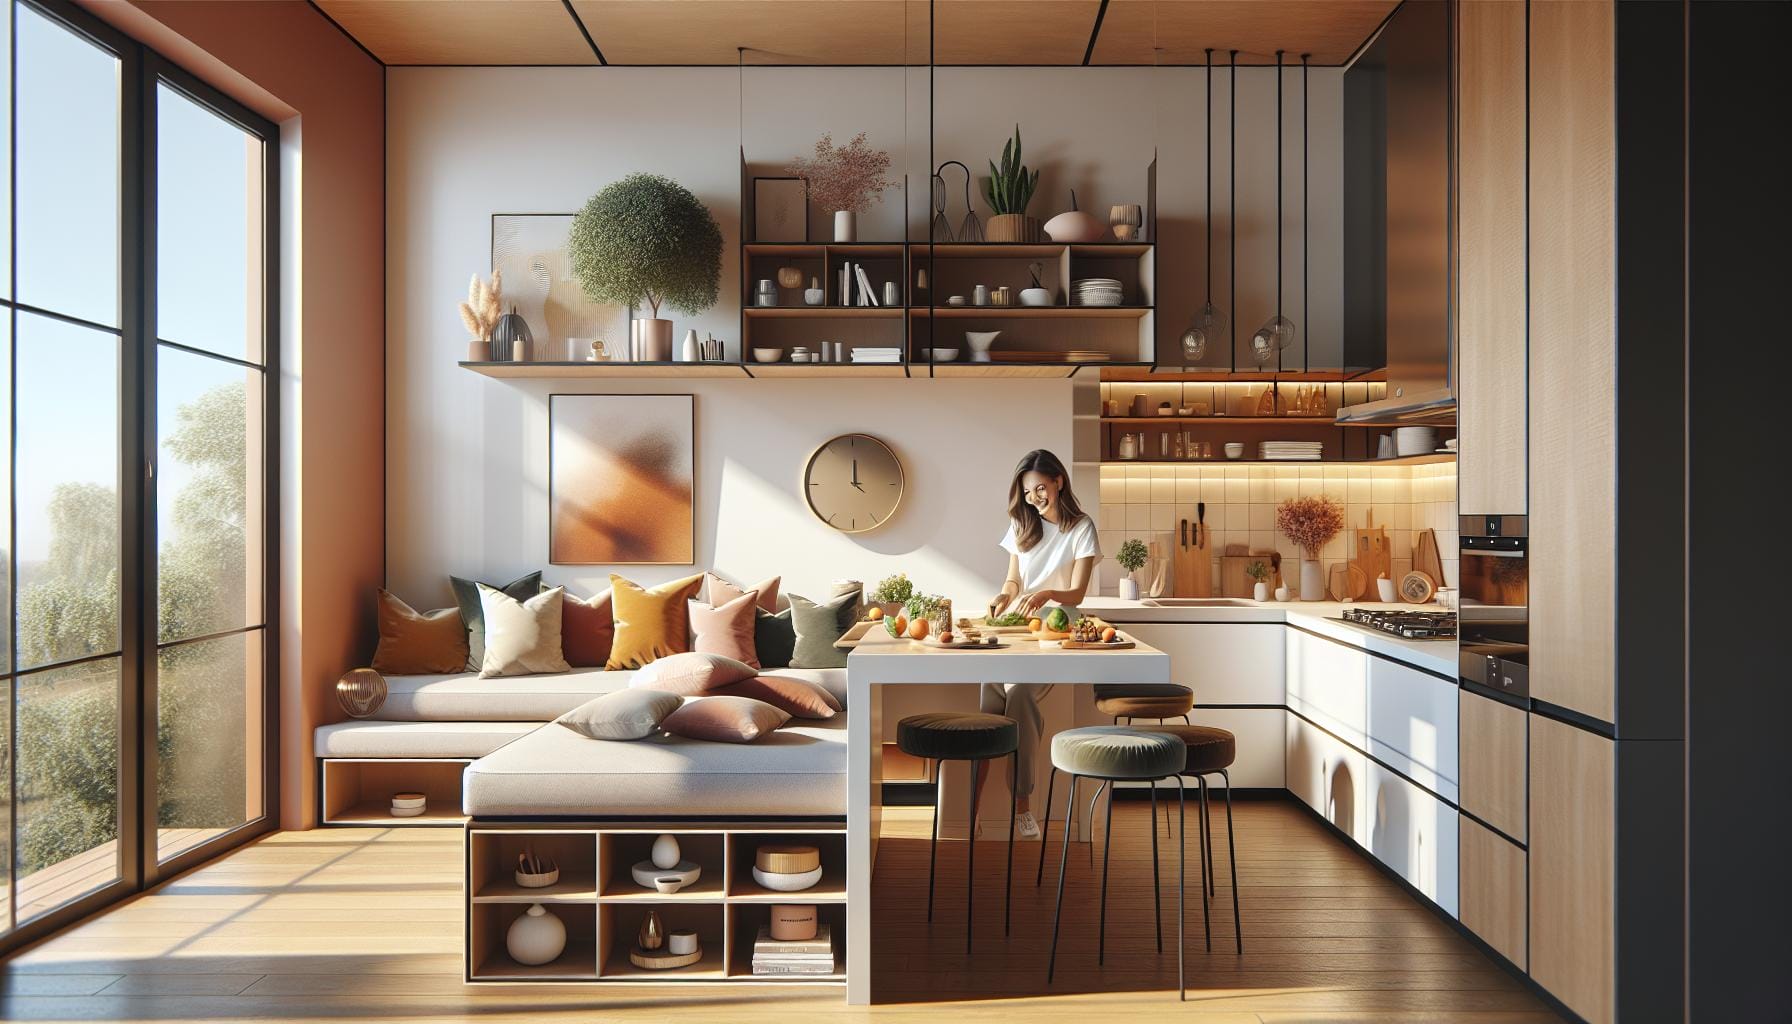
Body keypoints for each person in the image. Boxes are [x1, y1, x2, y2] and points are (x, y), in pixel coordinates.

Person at [979, 449, 1099, 839]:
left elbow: (1077, 593)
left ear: (1059, 481)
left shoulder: (1080, 528)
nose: (1035, 498)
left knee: (1020, 698)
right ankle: (973, 809)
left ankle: (1022, 806)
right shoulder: (1020, 524)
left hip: (1056, 633)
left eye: (1041, 488)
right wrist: (1003, 596)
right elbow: (1013, 581)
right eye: (1029, 492)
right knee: (987, 704)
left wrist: (1047, 593)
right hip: (1016, 627)